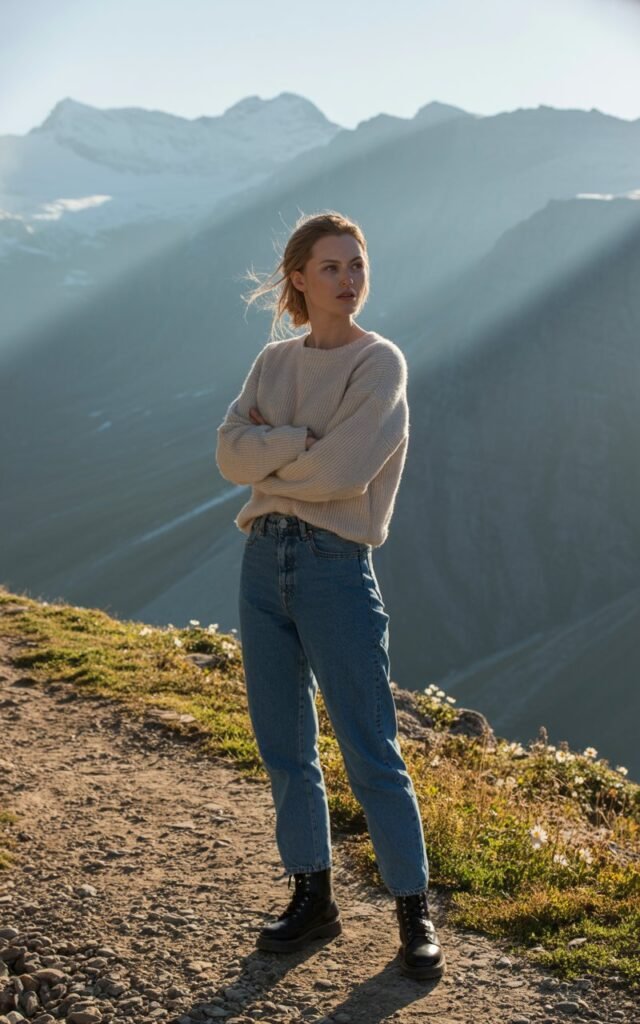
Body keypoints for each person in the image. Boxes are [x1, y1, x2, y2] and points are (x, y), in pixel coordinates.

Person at [215, 211, 445, 980]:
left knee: (370, 745)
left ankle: (414, 910)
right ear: (299, 280)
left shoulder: (380, 364)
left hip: (334, 565)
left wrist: (269, 458)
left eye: (358, 265)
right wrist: (290, 447)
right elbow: (227, 453)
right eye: (333, 266)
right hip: (263, 564)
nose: (350, 279)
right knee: (284, 744)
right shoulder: (274, 364)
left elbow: (344, 473)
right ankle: (312, 895)